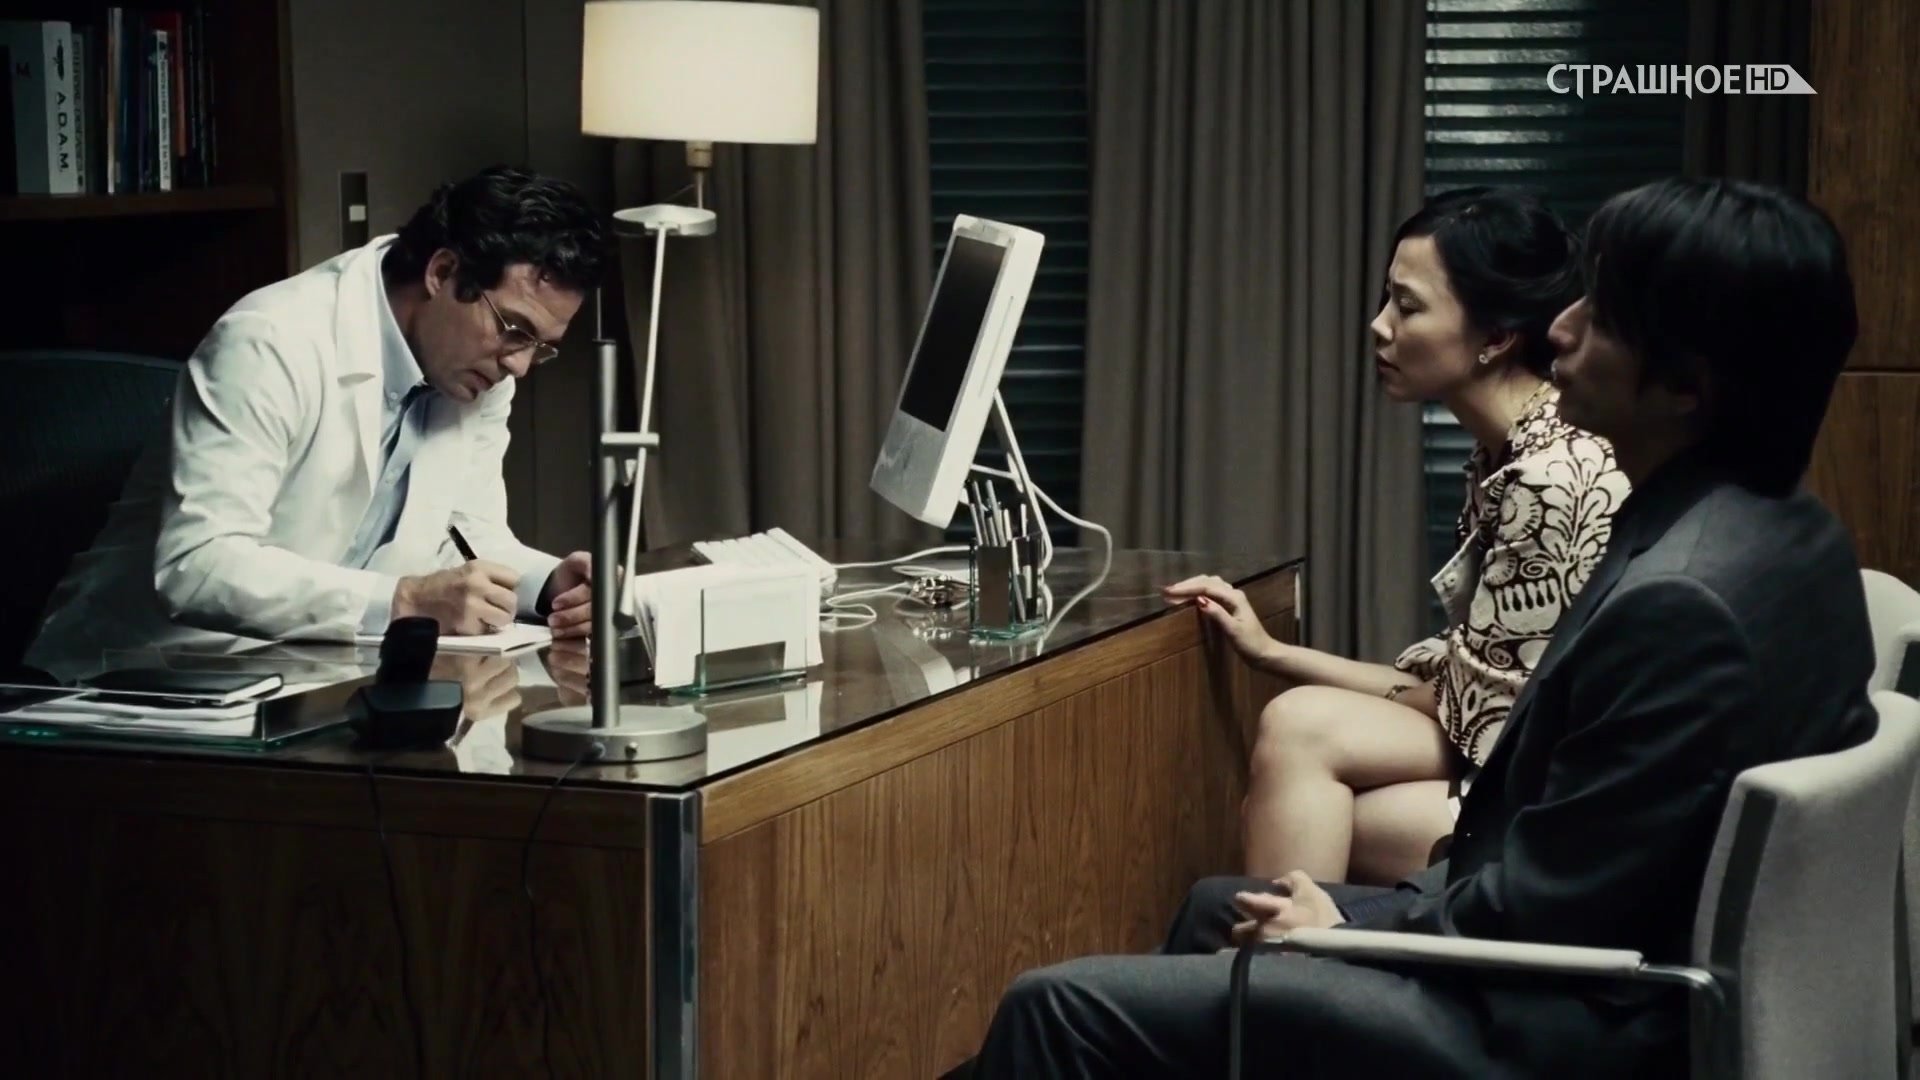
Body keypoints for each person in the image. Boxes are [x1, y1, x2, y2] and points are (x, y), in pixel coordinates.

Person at [972, 177, 1876, 1077]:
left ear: (1686, 385)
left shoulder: (1681, 604)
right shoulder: (1789, 532)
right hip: (1566, 964)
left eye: (1601, 316)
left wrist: (1346, 931)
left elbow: (1553, 906)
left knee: (1055, 1008)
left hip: (1560, 1024)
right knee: (1221, 904)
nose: (1560, 328)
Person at [1165, 188, 1631, 884]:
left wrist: (1292, 675)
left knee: (1301, 751)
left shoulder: (1549, 477)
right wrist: (1271, 652)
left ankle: (1285, 954)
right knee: (1299, 773)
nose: (1379, 326)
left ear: (1495, 338)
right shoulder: (1505, 452)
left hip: (1577, 798)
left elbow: (1487, 720)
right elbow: (1464, 688)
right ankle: (1291, 949)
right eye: (1388, 299)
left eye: (1408, 307)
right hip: (1517, 757)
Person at [26, 167, 611, 677]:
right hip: (142, 677)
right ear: (442, 271)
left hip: (313, 674)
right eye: (514, 330)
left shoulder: (479, 370)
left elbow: (466, 536)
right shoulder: (269, 341)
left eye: (540, 347)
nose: (519, 366)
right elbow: (197, 565)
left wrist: (550, 586)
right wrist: (404, 601)